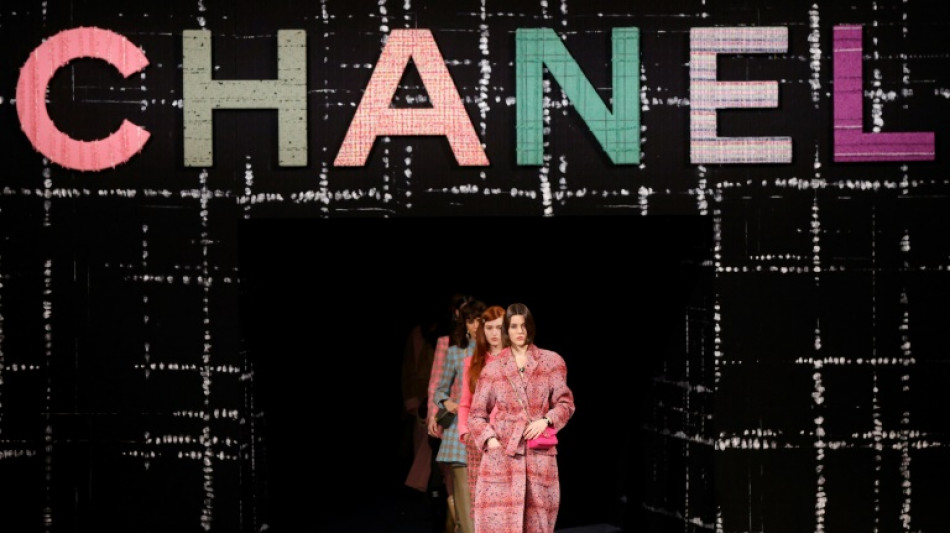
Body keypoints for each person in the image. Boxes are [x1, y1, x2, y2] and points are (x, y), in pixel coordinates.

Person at [468, 303, 576, 533]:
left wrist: (546, 421)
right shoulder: (493, 369)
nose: (520, 331)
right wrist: (490, 440)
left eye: (524, 325)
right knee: (500, 524)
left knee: (538, 524)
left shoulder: (551, 362)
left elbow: (566, 404)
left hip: (539, 453)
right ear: (507, 329)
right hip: (503, 455)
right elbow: (476, 414)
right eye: (514, 326)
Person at [431, 299, 485, 533]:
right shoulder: (455, 353)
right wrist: (448, 403)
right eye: (470, 321)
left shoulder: (497, 353)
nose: (475, 325)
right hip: (460, 436)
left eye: (479, 320)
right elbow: (439, 390)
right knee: (465, 507)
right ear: (464, 325)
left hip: (487, 434)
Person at [457, 305, 507, 523]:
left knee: (509, 507)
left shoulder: (518, 361)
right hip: (480, 442)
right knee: (483, 507)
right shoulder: (472, 363)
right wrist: (466, 434)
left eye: (499, 327)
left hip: (510, 442)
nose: (494, 333)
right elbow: (464, 404)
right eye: (489, 328)